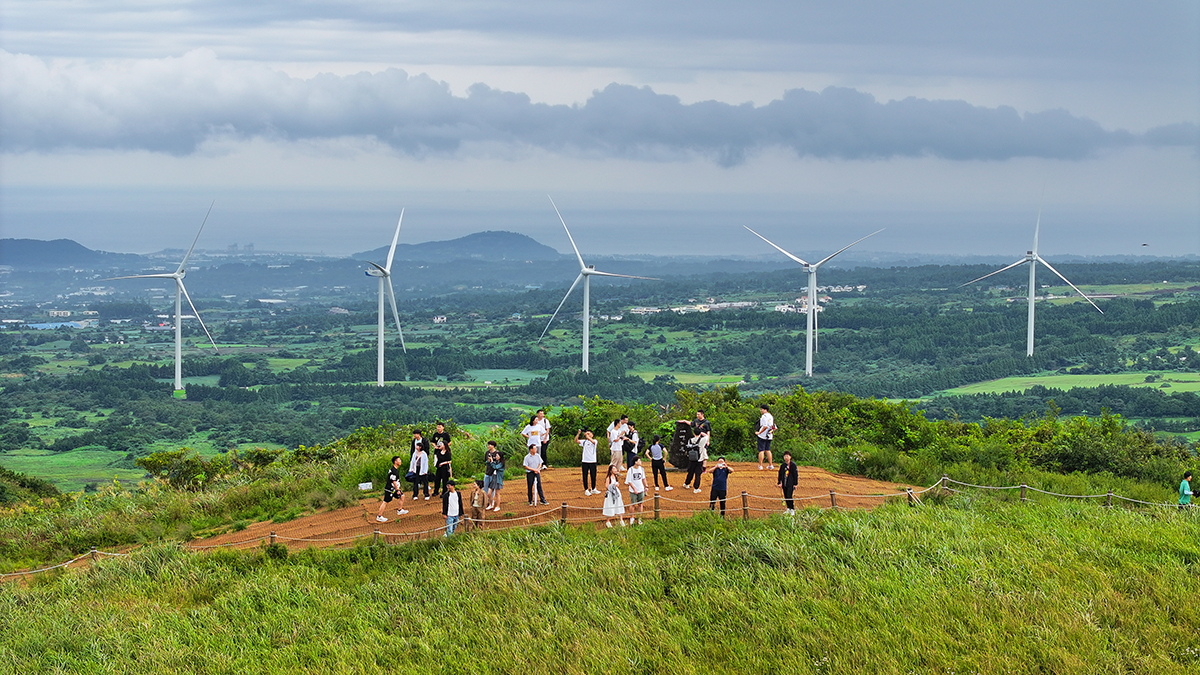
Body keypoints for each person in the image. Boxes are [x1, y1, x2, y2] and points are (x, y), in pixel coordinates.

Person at [681, 410, 711, 493]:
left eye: (698, 414)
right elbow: (707, 436)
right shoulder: (702, 441)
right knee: (698, 474)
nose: (697, 415)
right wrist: (703, 434)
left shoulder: (690, 440)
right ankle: (696, 488)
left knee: (690, 472)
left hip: (691, 459)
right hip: (699, 459)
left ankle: (686, 484)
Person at [376, 455, 407, 522]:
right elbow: (393, 481)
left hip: (394, 489)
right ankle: (379, 516)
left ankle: (399, 510)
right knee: (385, 502)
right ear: (395, 462)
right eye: (399, 460)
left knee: (402, 496)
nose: (400, 461)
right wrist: (397, 489)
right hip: (390, 489)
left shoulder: (395, 470)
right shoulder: (393, 471)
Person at [483, 440, 506, 511]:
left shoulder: (501, 464)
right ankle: (491, 504)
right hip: (493, 478)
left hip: (498, 479)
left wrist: (492, 461)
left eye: (497, 455)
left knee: (497, 493)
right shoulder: (495, 460)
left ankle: (497, 506)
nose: (496, 456)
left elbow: (495, 467)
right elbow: (488, 463)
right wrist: (489, 461)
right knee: (489, 493)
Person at [625, 456, 648, 524]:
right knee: (633, 504)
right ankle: (632, 517)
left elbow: (643, 478)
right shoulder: (631, 470)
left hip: (641, 489)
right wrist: (634, 489)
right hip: (633, 490)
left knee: (640, 504)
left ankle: (639, 518)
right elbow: (629, 481)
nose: (640, 462)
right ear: (635, 462)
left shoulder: (641, 469)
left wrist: (646, 486)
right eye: (639, 461)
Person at [408, 431, 430, 500]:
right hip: (416, 468)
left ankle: (426, 494)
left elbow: (425, 462)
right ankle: (415, 495)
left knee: (425, 481)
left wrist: (425, 470)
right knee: (415, 481)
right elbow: (412, 460)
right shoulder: (415, 453)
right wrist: (411, 468)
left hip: (422, 468)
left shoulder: (424, 453)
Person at [576, 428, 599, 495]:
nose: (587, 435)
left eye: (589, 433)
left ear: (592, 435)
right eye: (587, 433)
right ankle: (586, 489)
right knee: (585, 475)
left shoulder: (595, 441)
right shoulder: (584, 442)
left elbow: (593, 442)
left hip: (593, 461)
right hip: (585, 461)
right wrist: (578, 434)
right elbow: (576, 440)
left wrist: (587, 436)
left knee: (593, 475)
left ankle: (593, 488)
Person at [756, 404, 777, 471]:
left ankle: (760, 465)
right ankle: (770, 465)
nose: (761, 410)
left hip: (763, 435)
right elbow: (774, 426)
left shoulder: (764, 417)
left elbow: (765, 426)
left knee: (761, 450)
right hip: (769, 435)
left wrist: (759, 432)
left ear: (765, 410)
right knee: (768, 449)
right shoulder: (771, 416)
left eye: (761, 409)